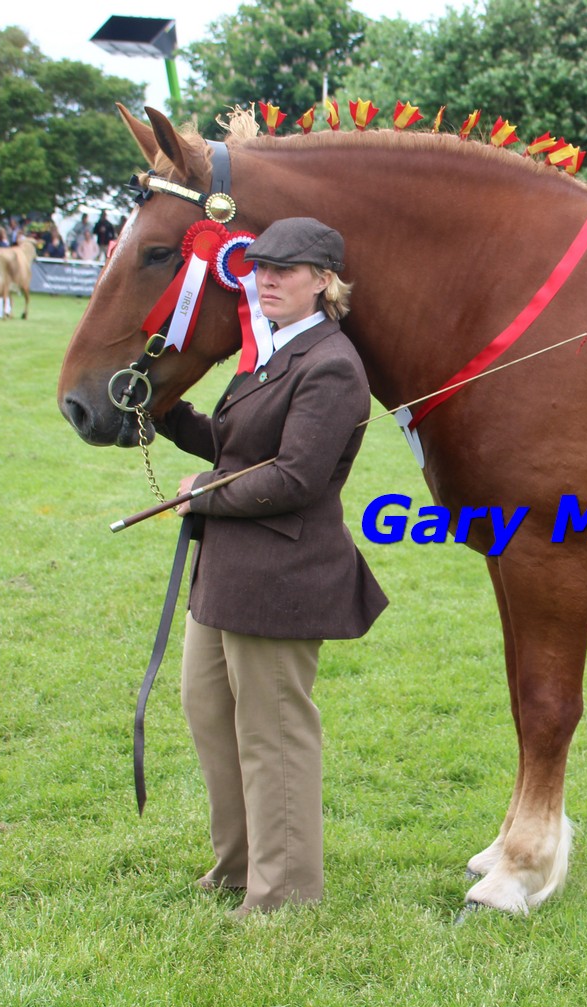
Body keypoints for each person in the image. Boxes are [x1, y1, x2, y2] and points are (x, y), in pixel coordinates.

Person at [156, 217, 387, 921]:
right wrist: (165, 413)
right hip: (226, 575)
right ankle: (235, 868)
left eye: (284, 270)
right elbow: (235, 446)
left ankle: (283, 894)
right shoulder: (268, 353)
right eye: (259, 268)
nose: (266, 280)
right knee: (212, 718)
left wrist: (200, 494)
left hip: (283, 579)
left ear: (324, 280)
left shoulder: (333, 364)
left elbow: (293, 478)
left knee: (273, 734)